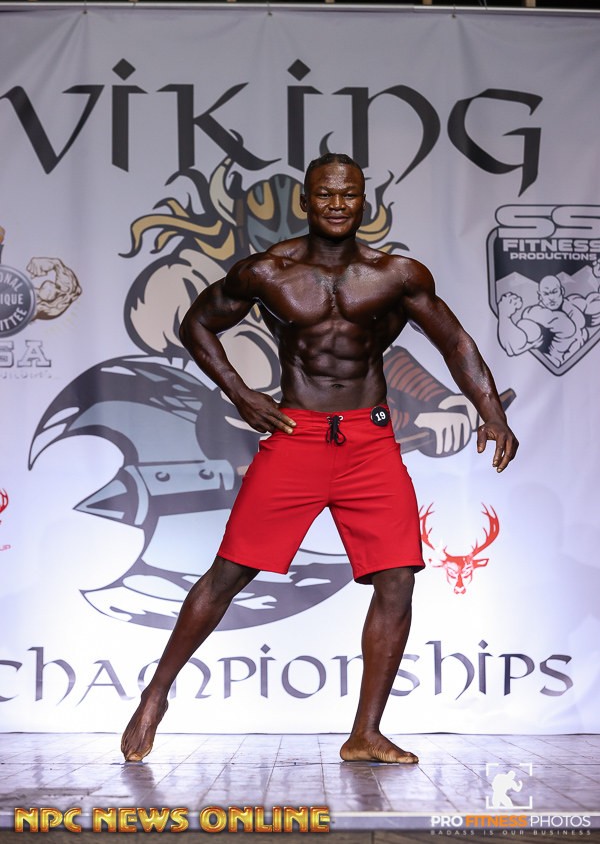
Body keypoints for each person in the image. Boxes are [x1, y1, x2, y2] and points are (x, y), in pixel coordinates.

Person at [121, 152, 518, 765]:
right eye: (325, 195)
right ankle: (156, 693)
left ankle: (365, 733)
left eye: (348, 194)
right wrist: (241, 393)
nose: (337, 204)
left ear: (364, 203)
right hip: (297, 437)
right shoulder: (268, 272)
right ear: (306, 202)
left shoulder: (396, 274)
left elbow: (455, 341)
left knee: (398, 579)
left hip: (369, 441)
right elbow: (197, 324)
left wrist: (491, 411)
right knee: (229, 573)